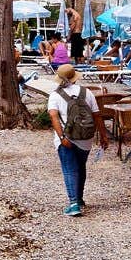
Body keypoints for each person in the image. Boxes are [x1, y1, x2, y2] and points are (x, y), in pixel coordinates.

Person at [47, 64, 107, 216]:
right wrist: (103, 135)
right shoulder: (86, 93)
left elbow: (53, 116)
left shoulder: (55, 95)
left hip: (66, 138)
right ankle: (79, 198)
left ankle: (73, 204)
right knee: (81, 167)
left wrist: (61, 137)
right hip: (86, 138)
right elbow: (96, 115)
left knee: (69, 169)